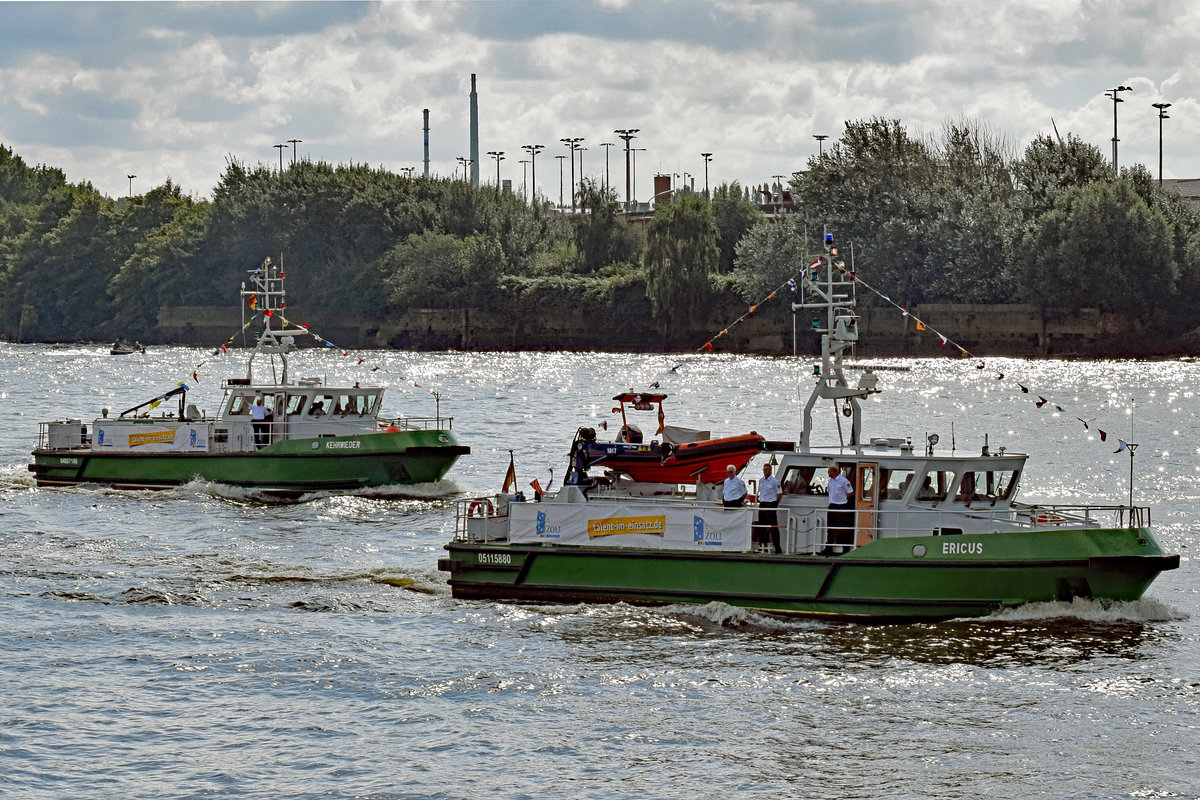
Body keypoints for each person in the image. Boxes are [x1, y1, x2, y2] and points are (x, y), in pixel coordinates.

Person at [825, 465, 854, 555]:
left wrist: (843, 498)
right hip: (832, 505)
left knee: (841, 528)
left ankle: (845, 548)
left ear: (834, 472)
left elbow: (851, 492)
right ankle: (828, 548)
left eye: (829, 471)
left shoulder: (844, 481)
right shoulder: (830, 481)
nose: (828, 473)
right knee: (830, 527)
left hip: (841, 506)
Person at [757, 463, 784, 553]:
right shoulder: (761, 481)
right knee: (762, 526)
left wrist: (775, 504)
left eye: (767, 469)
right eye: (764, 469)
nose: (765, 471)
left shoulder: (775, 482)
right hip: (762, 504)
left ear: (770, 470)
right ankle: (762, 547)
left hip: (770, 504)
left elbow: (780, 494)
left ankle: (777, 548)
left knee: (773, 527)